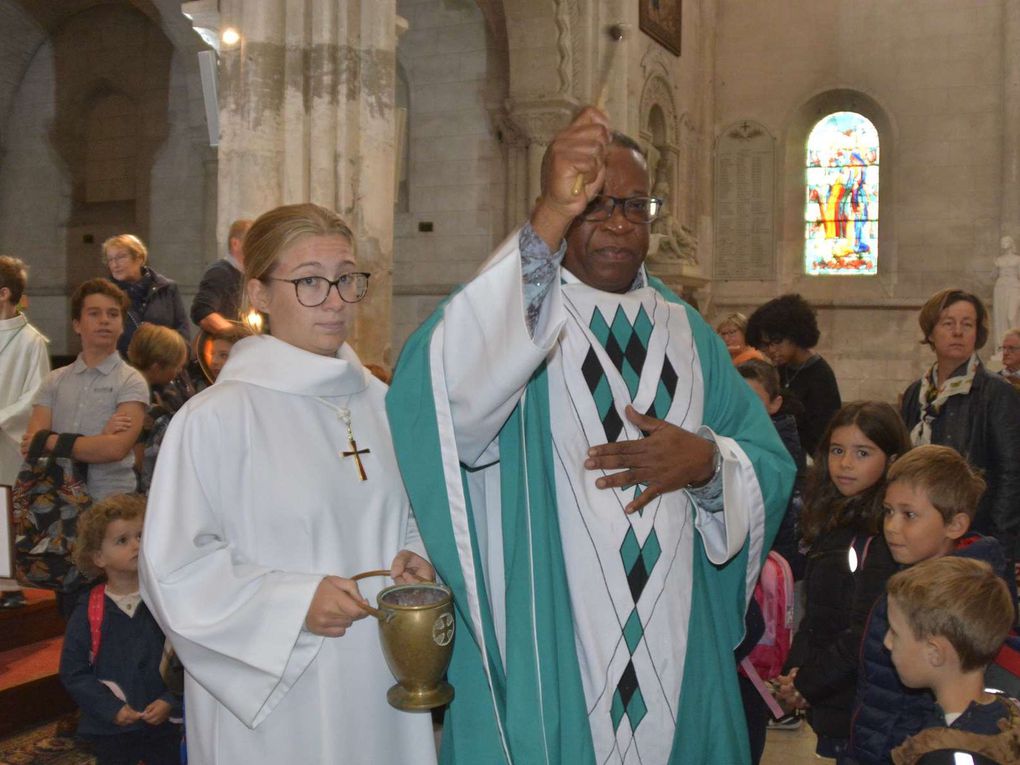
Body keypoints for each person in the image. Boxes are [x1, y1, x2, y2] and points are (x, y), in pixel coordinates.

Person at [387, 107, 796, 764]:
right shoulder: (524, 314)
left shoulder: (690, 334)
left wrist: (708, 464)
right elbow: (446, 395)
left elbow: (771, 465)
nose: (618, 224)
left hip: (672, 631)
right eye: (595, 204)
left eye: (635, 207)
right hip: (550, 626)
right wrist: (548, 212)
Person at [139, 203, 437, 764]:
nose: (336, 300)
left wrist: (418, 560)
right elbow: (173, 569)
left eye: (347, 278)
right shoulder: (216, 418)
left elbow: (411, 516)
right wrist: (294, 604)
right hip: (274, 690)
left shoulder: (383, 404)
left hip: (381, 672)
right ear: (259, 294)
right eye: (309, 282)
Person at [851, 444, 1017, 764]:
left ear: (955, 525)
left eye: (909, 515)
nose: (891, 526)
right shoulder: (908, 580)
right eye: (888, 511)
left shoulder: (953, 602)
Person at [774, 401, 909, 763]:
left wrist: (807, 683)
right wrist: (795, 671)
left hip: (865, 700)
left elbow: (864, 630)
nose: (845, 464)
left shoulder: (883, 535)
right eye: (837, 450)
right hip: (833, 692)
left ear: (892, 459)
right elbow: (817, 613)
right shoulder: (834, 519)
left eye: (862, 452)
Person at [899, 288, 1020, 568]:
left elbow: (1012, 474)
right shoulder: (916, 392)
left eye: (967, 324)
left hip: (974, 533)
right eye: (948, 323)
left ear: (977, 334)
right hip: (920, 528)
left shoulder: (997, 393)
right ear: (930, 332)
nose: (958, 332)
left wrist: (998, 543)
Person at [59, 494, 181, 765]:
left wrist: (170, 700)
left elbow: (185, 655)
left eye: (141, 535)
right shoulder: (88, 610)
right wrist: (110, 709)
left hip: (164, 725)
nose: (136, 545)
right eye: (122, 540)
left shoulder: (165, 601)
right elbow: (74, 671)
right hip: (111, 728)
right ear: (99, 557)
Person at [885, 557, 1019, 765]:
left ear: (935, 653)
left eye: (895, 633)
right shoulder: (1005, 707)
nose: (887, 642)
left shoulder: (947, 756)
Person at [0, 255, 50, 608]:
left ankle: (7, 584)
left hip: (6, 441)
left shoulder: (31, 342)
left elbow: (36, 395)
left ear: (3, 294)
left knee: (3, 511)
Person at [745, 293, 842, 456]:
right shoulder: (782, 367)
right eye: (765, 345)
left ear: (795, 335)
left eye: (776, 342)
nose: (771, 350)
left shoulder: (820, 375)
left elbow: (824, 434)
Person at [125, 324, 190, 493]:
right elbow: (139, 456)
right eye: (177, 366)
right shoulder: (141, 398)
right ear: (156, 367)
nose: (179, 371)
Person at [101, 234, 189, 356]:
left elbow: (182, 333)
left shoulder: (167, 288)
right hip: (121, 368)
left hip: (165, 364)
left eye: (121, 257)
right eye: (110, 259)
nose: (115, 265)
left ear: (139, 258)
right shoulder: (103, 293)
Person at [190, 218, 253, 334]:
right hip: (223, 349)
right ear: (235, 244)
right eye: (253, 241)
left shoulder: (252, 276)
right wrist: (238, 337)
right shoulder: (220, 272)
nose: (258, 248)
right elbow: (203, 312)